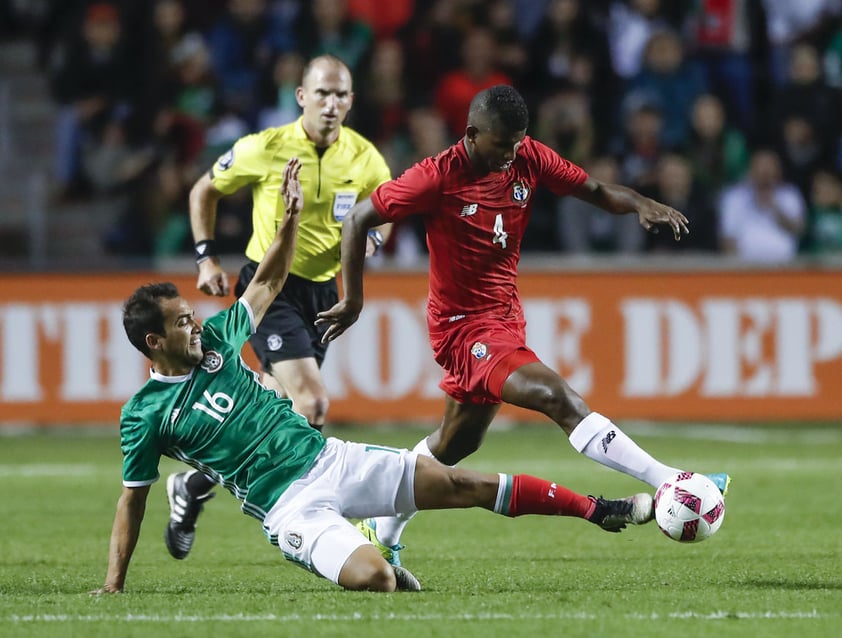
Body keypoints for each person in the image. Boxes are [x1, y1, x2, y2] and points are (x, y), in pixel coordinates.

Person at [91, 157, 655, 595]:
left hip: (332, 460)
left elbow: (264, 284)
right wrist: (114, 583)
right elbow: (130, 501)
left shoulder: (216, 340)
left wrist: (288, 220)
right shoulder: (144, 415)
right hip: (289, 507)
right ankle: (370, 560)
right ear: (153, 343)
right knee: (376, 580)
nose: (196, 325)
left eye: (191, 318)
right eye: (182, 323)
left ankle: (599, 508)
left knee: (465, 483)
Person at [315, 84, 730, 566]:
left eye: (518, 142)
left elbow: (593, 189)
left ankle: (381, 532)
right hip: (462, 329)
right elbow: (358, 218)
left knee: (456, 443)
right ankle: (668, 479)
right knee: (559, 398)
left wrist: (639, 202)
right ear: (472, 134)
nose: (512, 153)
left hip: (505, 319)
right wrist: (354, 298)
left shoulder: (526, 156)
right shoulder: (436, 177)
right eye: (502, 144)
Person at [166, 54, 392, 560]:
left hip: (322, 295)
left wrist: (374, 236)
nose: (331, 104)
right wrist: (205, 258)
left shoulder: (366, 157)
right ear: (301, 97)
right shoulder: (265, 147)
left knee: (268, 418)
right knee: (312, 403)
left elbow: (385, 210)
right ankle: (304, 512)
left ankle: (193, 486)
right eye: (322, 94)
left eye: (340, 95)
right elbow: (205, 188)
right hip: (268, 290)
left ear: (351, 100)